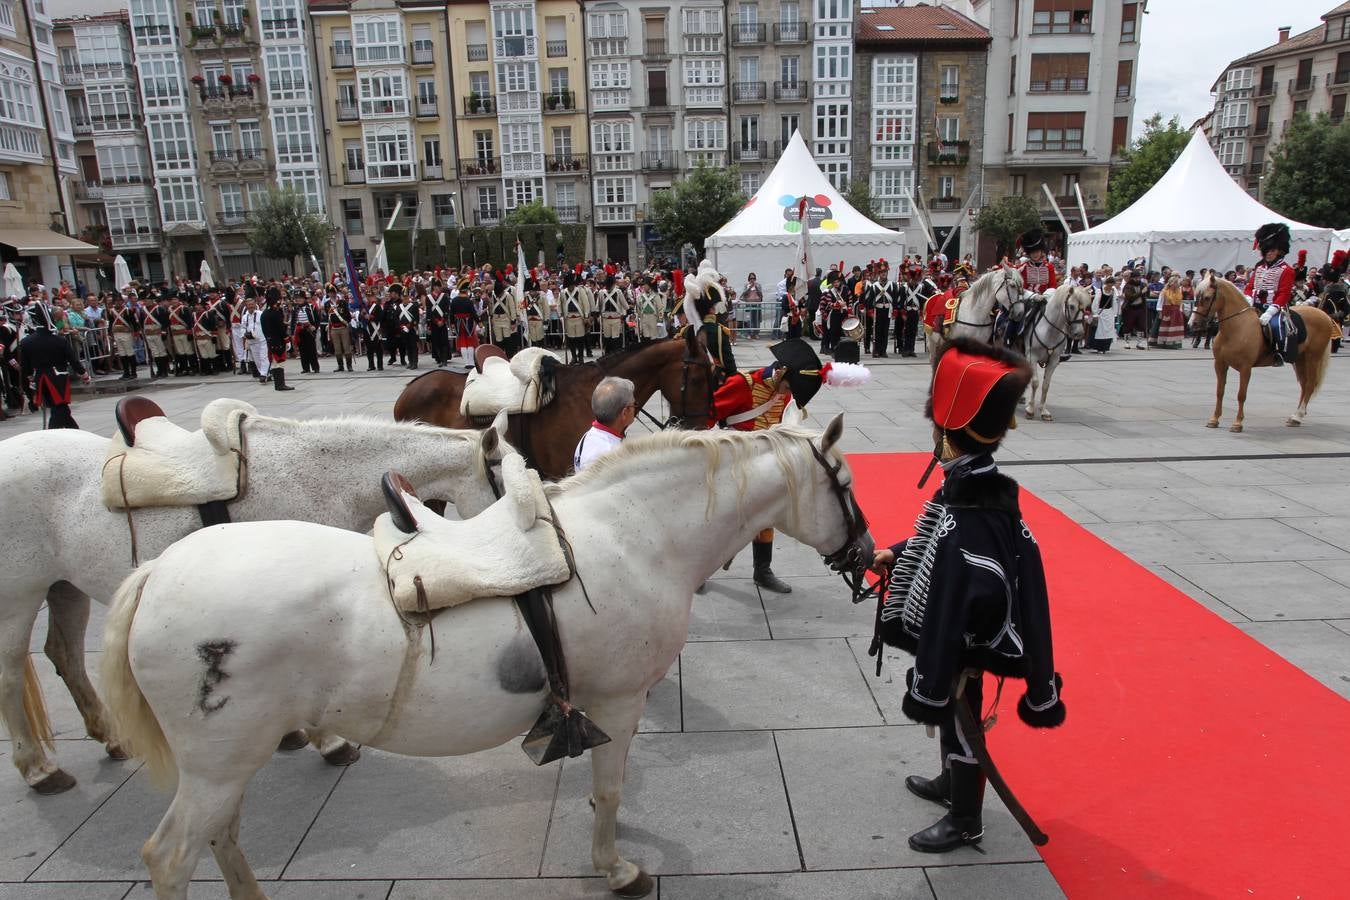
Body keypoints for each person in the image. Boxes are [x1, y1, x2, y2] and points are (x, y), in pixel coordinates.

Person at [869, 336, 1064, 854]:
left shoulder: (974, 511)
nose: (934, 438)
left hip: (969, 642)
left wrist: (963, 648)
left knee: (965, 724)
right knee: (958, 723)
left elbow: (979, 578)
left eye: (938, 431)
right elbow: (938, 540)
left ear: (951, 440)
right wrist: (896, 550)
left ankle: (966, 818)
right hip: (960, 635)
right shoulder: (971, 487)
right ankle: (950, 784)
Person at [709, 338, 870, 593]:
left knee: (767, 518)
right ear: (781, 372)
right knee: (721, 520)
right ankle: (701, 568)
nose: (787, 393)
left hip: (765, 465)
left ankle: (763, 569)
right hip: (734, 463)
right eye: (787, 386)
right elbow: (709, 416)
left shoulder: (786, 393)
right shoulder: (743, 385)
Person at [18, 301, 90, 429]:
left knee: (58, 407)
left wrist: (30, 378)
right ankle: (53, 432)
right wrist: (83, 374)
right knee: (60, 407)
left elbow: (25, 366)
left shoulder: (26, 342)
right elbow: (73, 360)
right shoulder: (58, 340)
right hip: (58, 377)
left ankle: (73, 430)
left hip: (40, 378)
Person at [1245, 222, 1296, 366]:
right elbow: (1250, 287)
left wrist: (1270, 312)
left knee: (1276, 325)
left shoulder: (1287, 270)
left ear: (1279, 251)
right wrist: (1248, 298)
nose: (1269, 253)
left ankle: (1278, 353)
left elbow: (1284, 294)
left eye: (1272, 250)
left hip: (1274, 308)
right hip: (1254, 305)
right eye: (1266, 251)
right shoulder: (1259, 268)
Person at [572, 376, 637, 472]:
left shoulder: (590, 436)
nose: (635, 409)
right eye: (634, 404)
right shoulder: (609, 453)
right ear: (624, 413)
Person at [260, 295, 295, 391]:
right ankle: (280, 384)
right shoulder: (275, 314)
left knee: (274, 363)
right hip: (278, 341)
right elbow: (280, 329)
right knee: (279, 363)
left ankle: (278, 384)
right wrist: (286, 339)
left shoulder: (264, 314)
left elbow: (264, 330)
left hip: (270, 341)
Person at [107, 294, 141, 380]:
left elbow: (134, 323)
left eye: (119, 301)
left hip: (126, 333)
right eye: (116, 301)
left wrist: (136, 333)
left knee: (129, 352)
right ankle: (126, 372)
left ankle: (133, 372)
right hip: (117, 334)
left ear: (122, 301)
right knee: (122, 353)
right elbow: (111, 323)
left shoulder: (128, 310)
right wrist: (110, 334)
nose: (118, 302)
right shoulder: (111, 311)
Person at [1090, 276, 1117, 353]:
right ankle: (1098, 347)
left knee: (1108, 331)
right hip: (1101, 312)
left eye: (1112, 285)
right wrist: (1095, 313)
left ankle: (1105, 347)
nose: (1110, 287)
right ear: (1106, 283)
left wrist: (1114, 313)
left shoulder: (1113, 291)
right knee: (1100, 331)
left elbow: (1114, 302)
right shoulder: (1100, 291)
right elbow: (1096, 302)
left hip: (1109, 312)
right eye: (1109, 285)